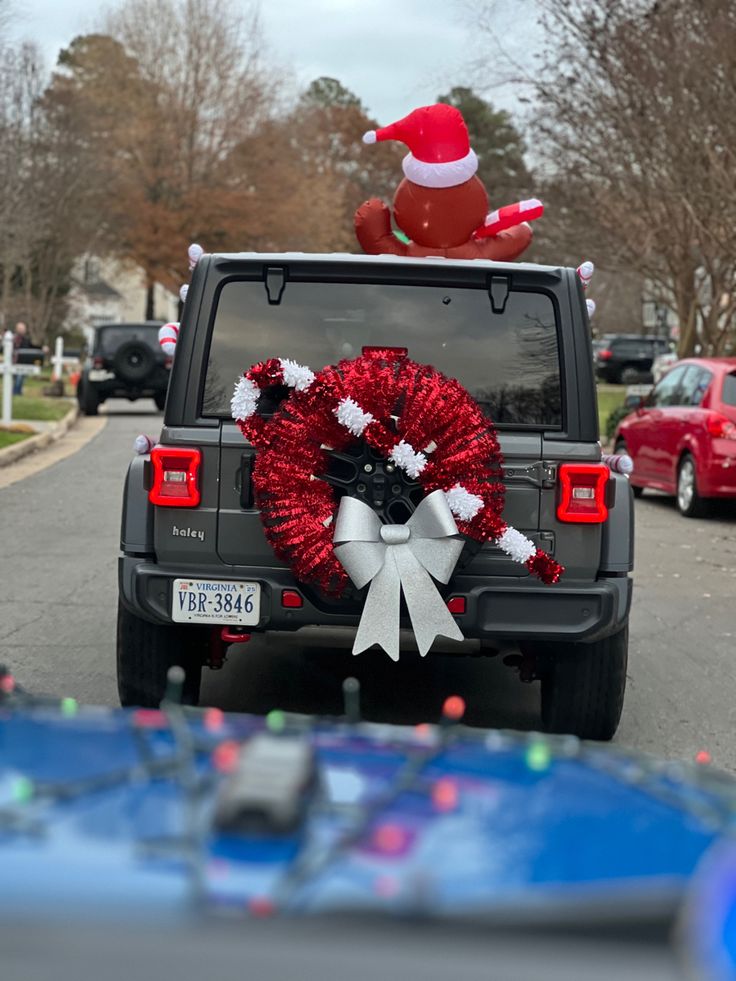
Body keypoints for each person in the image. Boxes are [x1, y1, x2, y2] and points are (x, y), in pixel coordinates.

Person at [12, 322, 28, 396]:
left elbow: (31, 346)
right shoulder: (13, 339)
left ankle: (18, 392)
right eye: (21, 329)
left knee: (21, 379)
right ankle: (15, 392)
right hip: (14, 362)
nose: (22, 330)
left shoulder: (25, 340)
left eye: (23, 329)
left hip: (23, 362)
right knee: (17, 378)